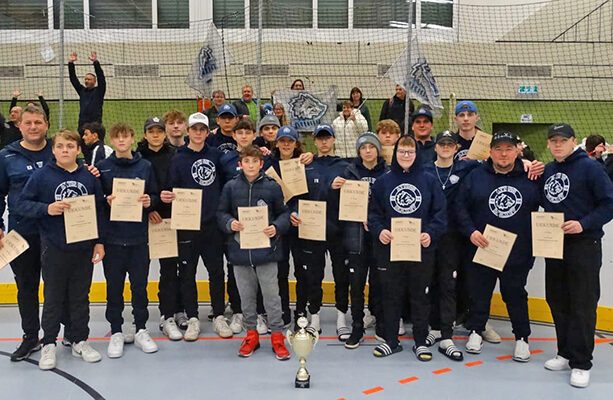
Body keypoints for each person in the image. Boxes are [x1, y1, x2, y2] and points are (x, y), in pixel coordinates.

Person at [18, 129, 105, 370]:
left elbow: (98, 210)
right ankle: (48, 344)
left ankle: (79, 339)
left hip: (83, 247)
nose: (65, 150)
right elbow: (23, 203)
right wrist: (47, 209)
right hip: (54, 247)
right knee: (53, 297)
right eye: (60, 146)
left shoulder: (89, 177)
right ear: (53, 150)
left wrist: (99, 241)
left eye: (70, 146)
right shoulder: (41, 176)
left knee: (80, 297)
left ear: (78, 150)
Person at [455, 131, 541, 362]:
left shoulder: (531, 176)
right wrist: (471, 231)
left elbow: (552, 204)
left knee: (514, 295)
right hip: (483, 248)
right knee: (479, 292)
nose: (503, 154)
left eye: (509, 149)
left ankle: (522, 338)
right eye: (498, 149)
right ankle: (475, 330)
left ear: (517, 151)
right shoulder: (475, 176)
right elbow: (460, 206)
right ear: (490, 151)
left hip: (518, 252)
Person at [542, 124, 613, 388]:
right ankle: (565, 351)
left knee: (582, 303)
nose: (558, 144)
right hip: (553, 245)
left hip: (583, 243)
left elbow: (609, 203)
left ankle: (582, 362)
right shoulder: (549, 170)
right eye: (553, 141)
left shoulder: (591, 168)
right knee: (558, 299)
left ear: (573, 141)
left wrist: (583, 223)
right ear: (548, 144)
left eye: (563, 140)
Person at [368, 135, 446, 361]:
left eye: (410, 152)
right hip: (391, 251)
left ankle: (421, 342)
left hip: (420, 251)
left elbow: (440, 215)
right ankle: (391, 340)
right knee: (391, 296)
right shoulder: (383, 181)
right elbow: (373, 214)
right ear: (395, 153)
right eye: (402, 151)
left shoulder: (429, 180)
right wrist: (380, 231)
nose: (405, 156)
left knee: (420, 296)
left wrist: (429, 233)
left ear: (417, 154)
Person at [0, 105, 65, 361]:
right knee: (26, 287)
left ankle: (69, 332)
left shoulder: (59, 149)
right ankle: (30, 337)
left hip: (57, 232)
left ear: (46, 124)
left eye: (38, 122)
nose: (34, 127)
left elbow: (78, 177)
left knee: (60, 285)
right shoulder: (6, 156)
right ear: (19, 126)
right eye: (28, 123)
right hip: (23, 234)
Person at [161, 112, 233, 340]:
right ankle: (193, 318)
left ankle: (219, 316)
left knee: (216, 271)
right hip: (187, 225)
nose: (199, 133)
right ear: (188, 131)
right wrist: (168, 197)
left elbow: (227, 182)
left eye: (203, 129)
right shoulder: (178, 158)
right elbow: (172, 188)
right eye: (195, 129)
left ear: (206, 131)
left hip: (212, 225)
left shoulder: (216, 155)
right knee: (188, 273)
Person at [217, 145, 292, 360]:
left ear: (261, 164)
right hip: (240, 253)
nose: (250, 165)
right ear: (240, 164)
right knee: (246, 297)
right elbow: (221, 213)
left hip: (267, 253)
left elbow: (284, 214)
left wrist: (276, 227)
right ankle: (251, 334)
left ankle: (277, 335)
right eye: (246, 161)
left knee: (272, 297)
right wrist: (229, 223)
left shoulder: (272, 187)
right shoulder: (231, 187)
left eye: (255, 162)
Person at [98, 122, 159, 358]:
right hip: (113, 240)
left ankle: (141, 328)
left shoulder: (145, 166)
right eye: (117, 137)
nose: (122, 141)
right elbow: (97, 201)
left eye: (126, 136)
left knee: (139, 287)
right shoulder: (103, 167)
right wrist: (106, 199)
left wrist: (148, 201)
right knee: (114, 288)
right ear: (112, 141)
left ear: (133, 138)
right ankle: (116, 331)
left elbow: (153, 195)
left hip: (137, 239)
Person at [289, 124, 349, 335]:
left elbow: (355, 197)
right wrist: (294, 212)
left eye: (327, 137)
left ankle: (342, 317)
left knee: (342, 275)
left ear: (333, 140)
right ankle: (314, 317)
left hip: (338, 231)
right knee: (314, 275)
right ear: (314, 141)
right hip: (312, 231)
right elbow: (295, 196)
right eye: (320, 138)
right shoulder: (305, 165)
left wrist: (344, 188)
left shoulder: (345, 166)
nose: (324, 142)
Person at [331, 132, 387, 348]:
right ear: (359, 151)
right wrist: (334, 188)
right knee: (356, 284)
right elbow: (340, 206)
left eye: (371, 147)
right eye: (363, 148)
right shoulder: (349, 172)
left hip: (380, 237)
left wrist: (375, 220)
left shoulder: (388, 172)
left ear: (377, 150)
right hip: (355, 237)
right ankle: (357, 326)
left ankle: (381, 323)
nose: (368, 151)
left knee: (380, 282)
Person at [137, 117, 185, 339]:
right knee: (140, 271)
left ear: (165, 134)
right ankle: (140, 322)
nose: (155, 135)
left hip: (168, 221)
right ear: (145, 134)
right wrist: (148, 210)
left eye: (159, 131)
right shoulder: (137, 158)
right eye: (151, 131)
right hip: (143, 221)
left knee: (169, 269)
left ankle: (170, 314)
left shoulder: (175, 156)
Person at [68, 51, 106, 130]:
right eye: (85, 79)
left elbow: (101, 77)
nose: (86, 81)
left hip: (95, 126)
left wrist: (95, 62)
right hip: (82, 125)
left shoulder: (99, 91)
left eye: (89, 79)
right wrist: (71, 63)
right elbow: (73, 79)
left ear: (94, 81)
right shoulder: (82, 91)